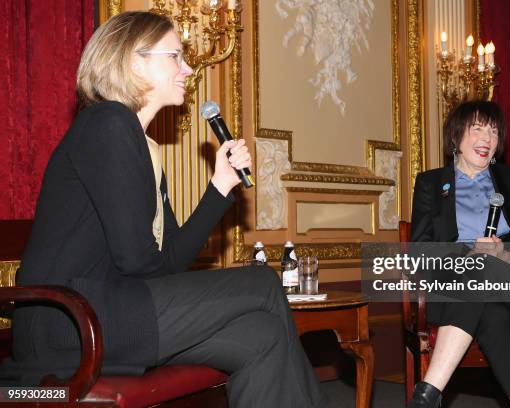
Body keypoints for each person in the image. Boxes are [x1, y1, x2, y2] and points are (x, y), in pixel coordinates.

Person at [1, 11, 327, 408]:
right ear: (134, 61)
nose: (188, 69)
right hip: (70, 321)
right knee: (262, 283)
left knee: (262, 335)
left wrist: (220, 186)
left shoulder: (145, 148)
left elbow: (168, 260)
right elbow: (137, 261)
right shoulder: (108, 123)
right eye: (175, 56)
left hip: (110, 310)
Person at [408, 100, 510, 407]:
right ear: (456, 136)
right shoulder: (431, 183)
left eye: (494, 132)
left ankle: (426, 395)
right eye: (478, 128)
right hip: (450, 291)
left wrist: (502, 253)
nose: (487, 138)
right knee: (491, 314)